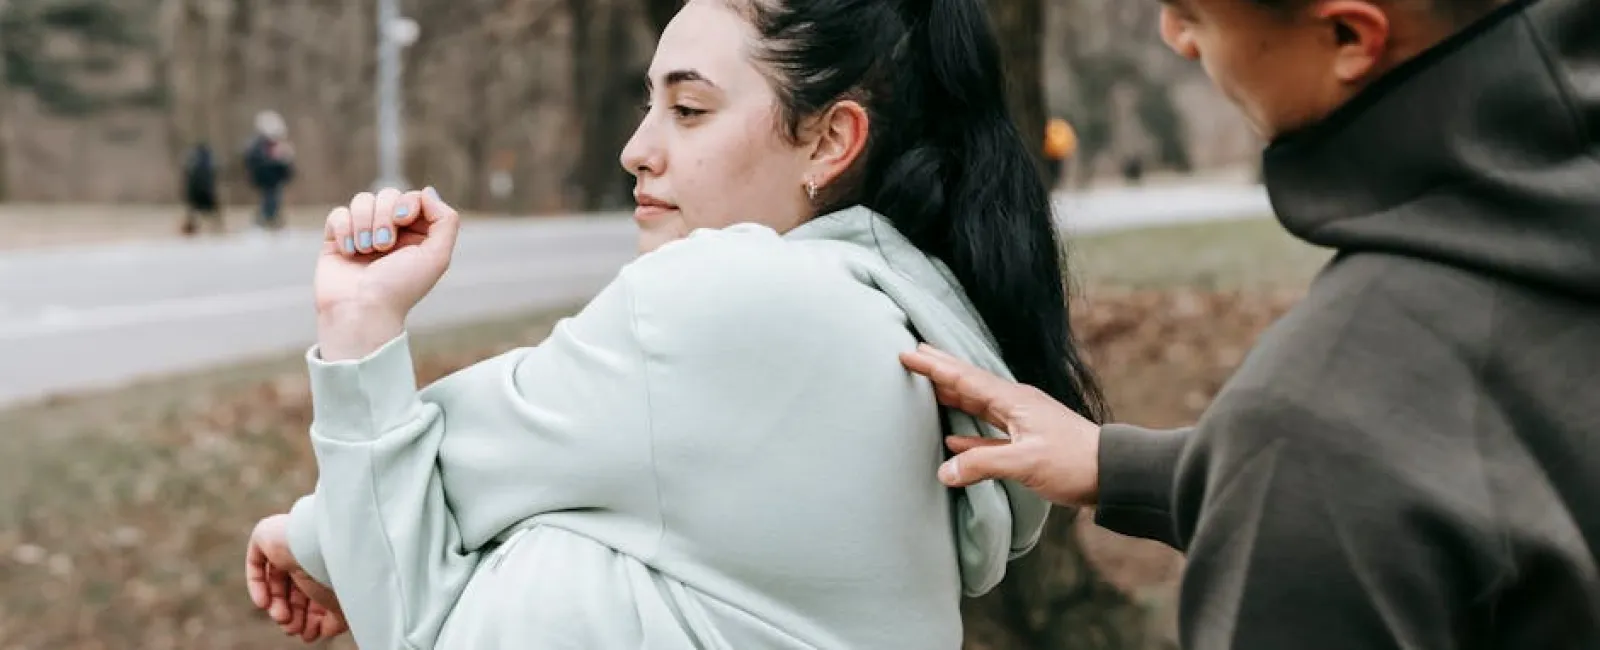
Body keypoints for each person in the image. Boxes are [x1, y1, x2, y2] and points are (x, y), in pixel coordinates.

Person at [241, 0, 1106, 646]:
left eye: (688, 110)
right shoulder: (894, 326)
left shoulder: (725, 304)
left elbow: (400, 535)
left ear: (831, 140)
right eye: (651, 103)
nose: (637, 148)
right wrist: (340, 541)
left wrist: (357, 326)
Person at [902, 0, 1600, 647]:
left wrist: (1273, 469)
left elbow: (1356, 464)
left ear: (1348, 37)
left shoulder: (1316, 422)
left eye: (1194, 11)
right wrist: (1130, 469)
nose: (1174, 38)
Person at [242, 110, 295, 231]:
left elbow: (286, 167)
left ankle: (271, 221)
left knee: (274, 199)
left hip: (273, 179)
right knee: (269, 199)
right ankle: (264, 221)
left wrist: (283, 162)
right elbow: (254, 163)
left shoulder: (274, 146)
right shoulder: (257, 146)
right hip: (266, 179)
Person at [178, 142, 222, 236]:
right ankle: (217, 230)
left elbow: (187, 178)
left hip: (195, 193)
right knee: (213, 212)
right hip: (206, 192)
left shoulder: (192, 161)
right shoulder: (209, 162)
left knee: (193, 212)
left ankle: (191, 230)